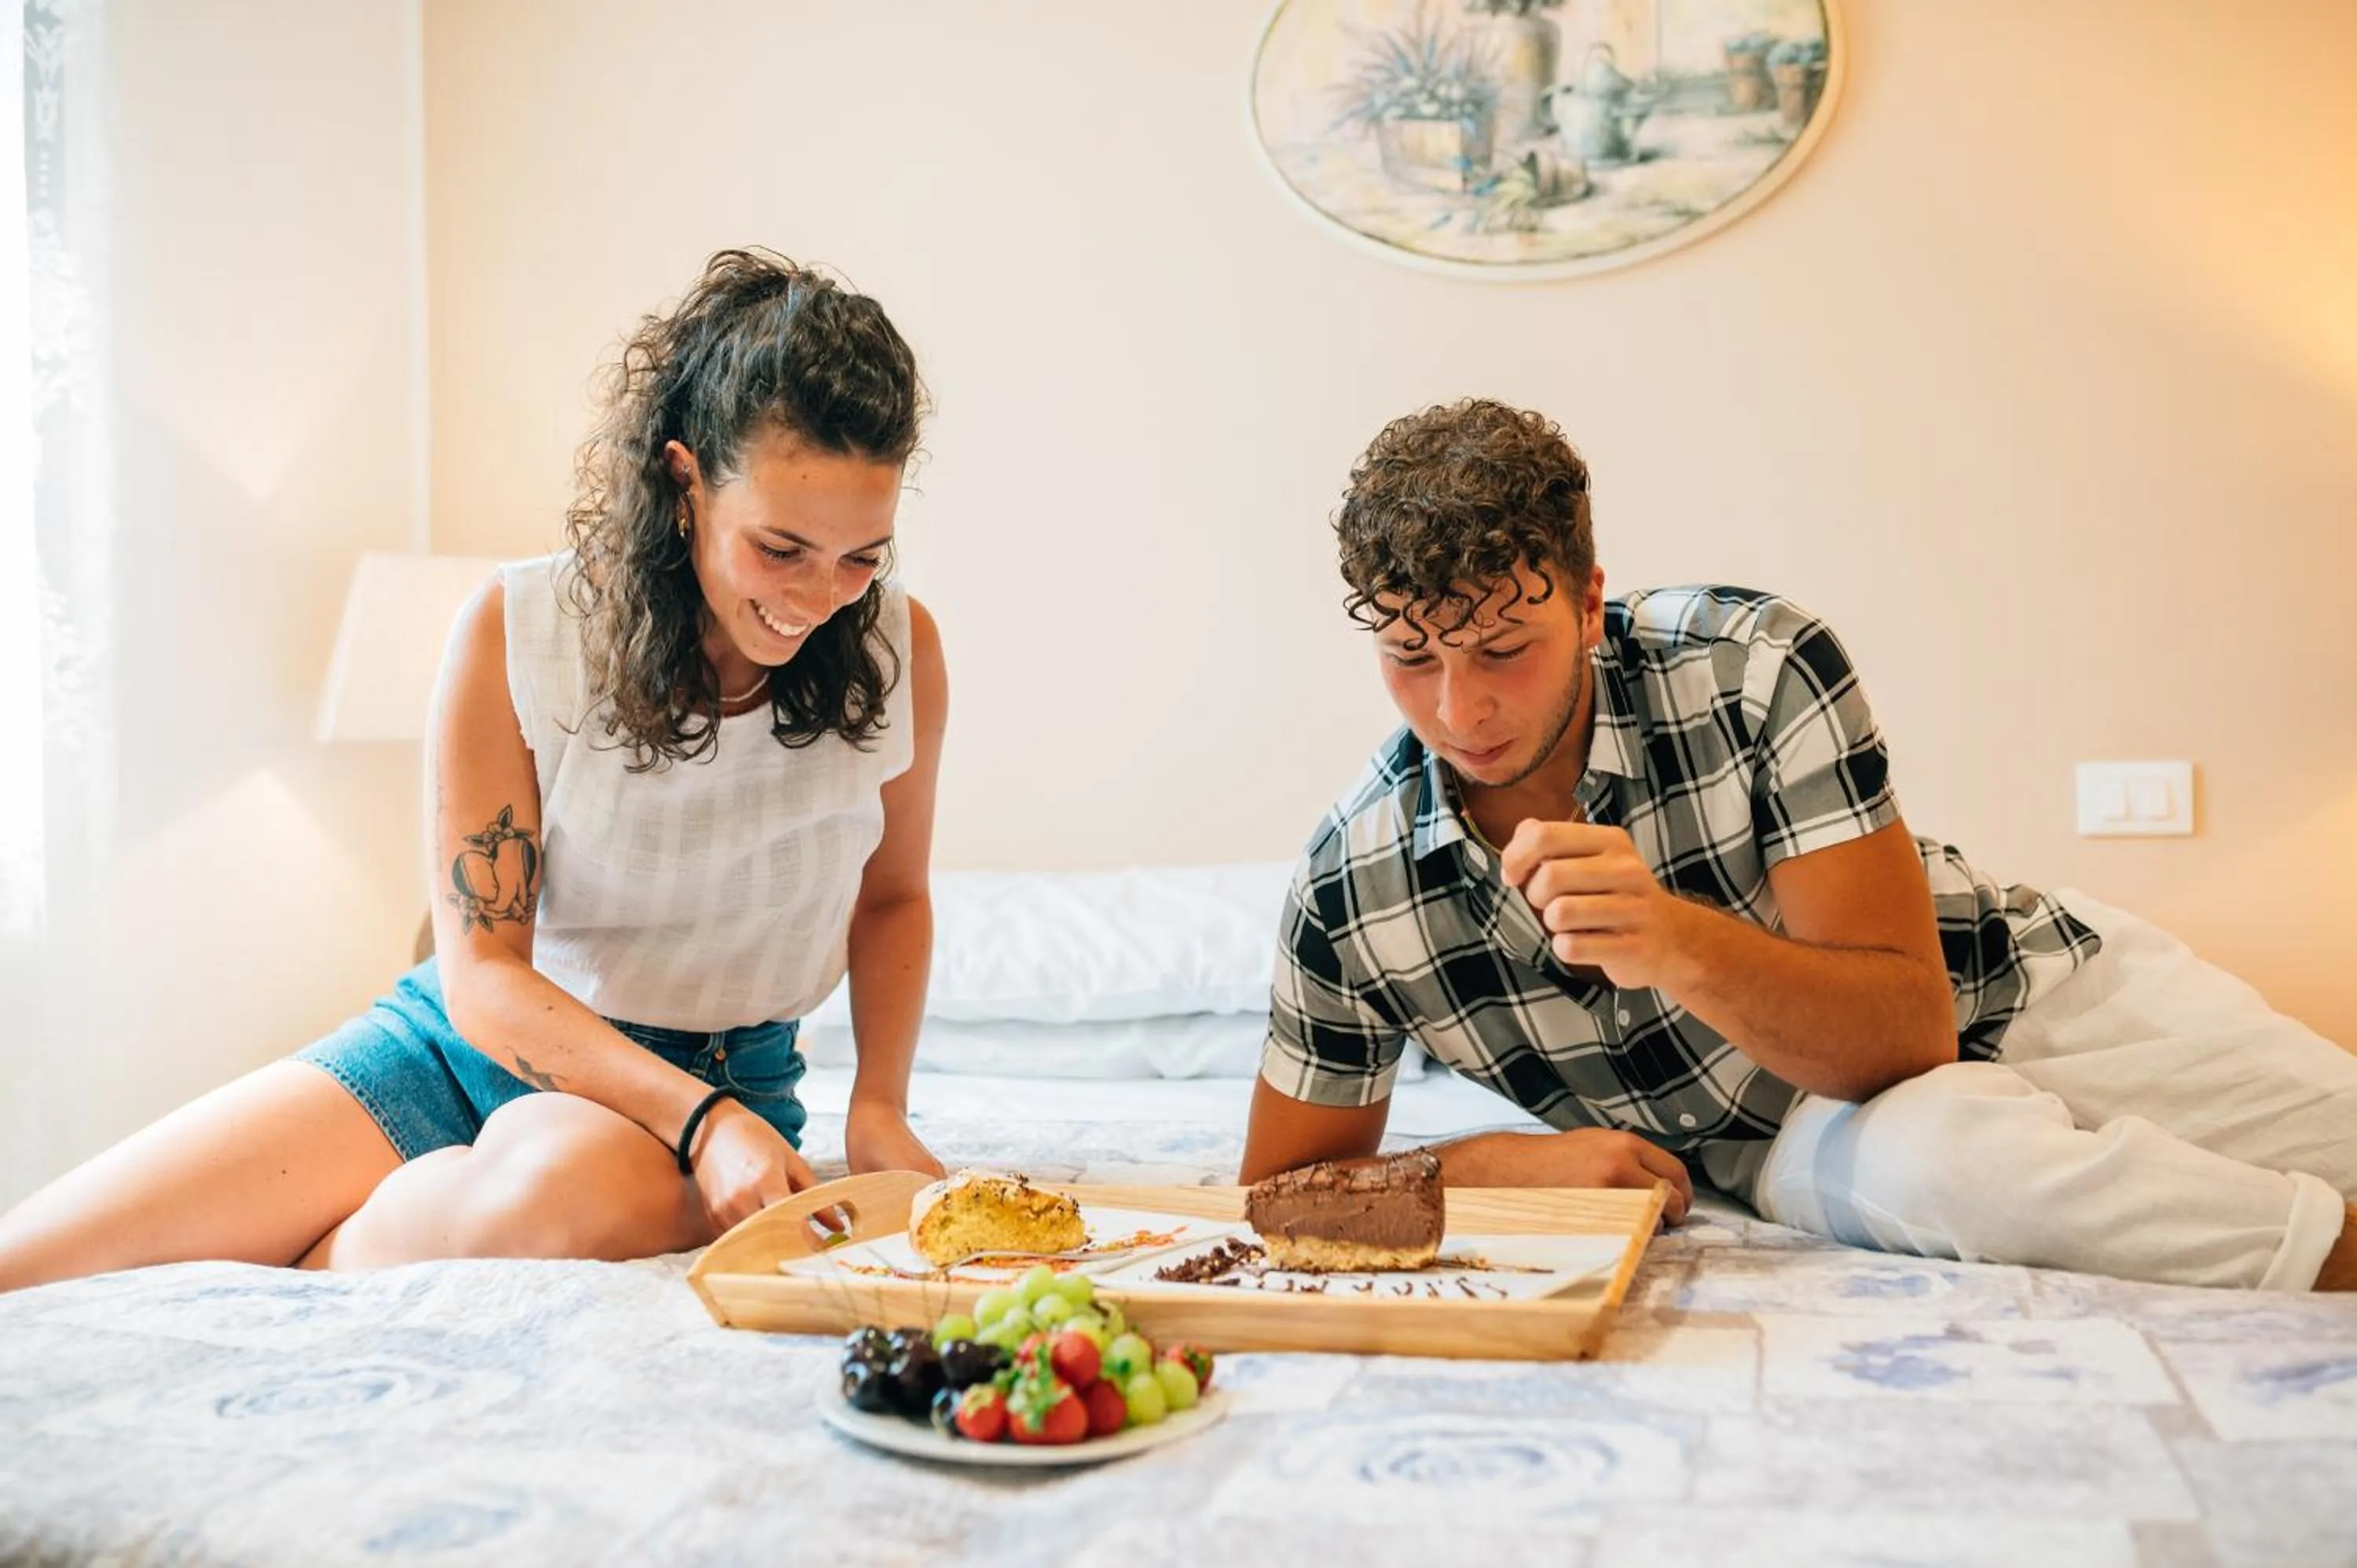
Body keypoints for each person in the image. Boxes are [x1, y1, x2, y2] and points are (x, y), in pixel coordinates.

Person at [1241, 397, 2357, 1292]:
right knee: (1956, 1169)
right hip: (1803, 1140)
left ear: (1587, 605)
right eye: (1410, 658)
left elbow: (1908, 1030)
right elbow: (1274, 1195)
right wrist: (1501, 1165)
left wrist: (1674, 941)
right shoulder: (1353, 887)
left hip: (2027, 987)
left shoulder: (1753, 667)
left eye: (1502, 649)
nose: (1459, 710)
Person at [0, 248, 948, 1290]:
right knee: (33, 1265)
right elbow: (484, 973)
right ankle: (369, 1223)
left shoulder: (897, 657)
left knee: (556, 1193)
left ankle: (319, 1263)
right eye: (781, 549)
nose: (818, 598)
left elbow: (892, 900)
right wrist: (705, 1122)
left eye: (861, 558)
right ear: (686, 483)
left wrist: (877, 1106)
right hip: (466, 1052)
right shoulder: (523, 628)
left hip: (704, 1092)